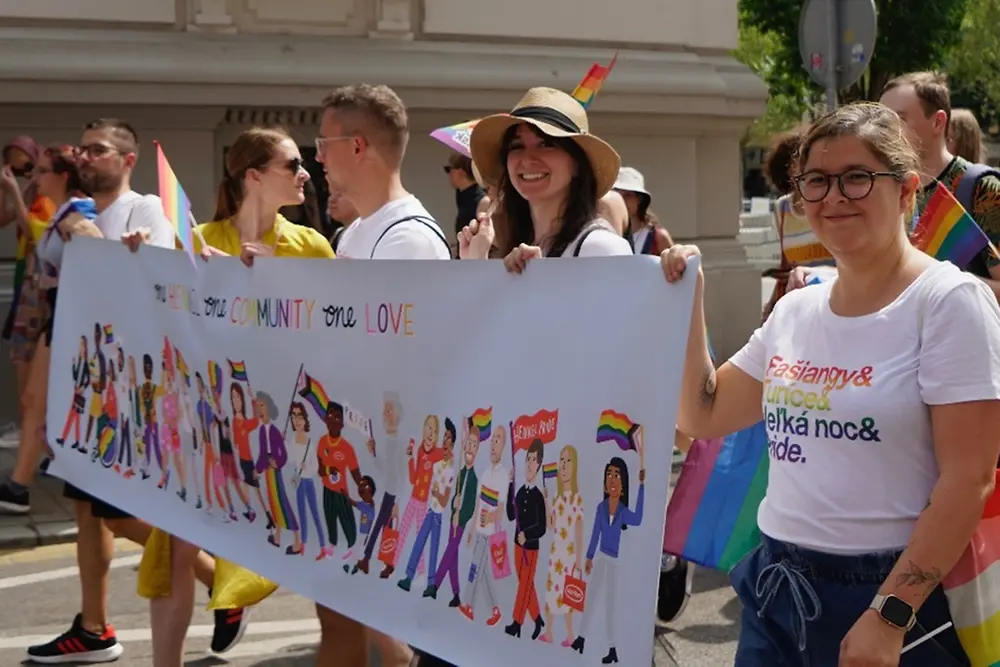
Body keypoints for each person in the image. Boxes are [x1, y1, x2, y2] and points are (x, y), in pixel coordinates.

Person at [665, 102, 1000, 666]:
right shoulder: (796, 309)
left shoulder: (949, 302)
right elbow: (704, 415)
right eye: (816, 181)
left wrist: (890, 613)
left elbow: (969, 479)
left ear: (907, 190)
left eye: (857, 178)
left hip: (889, 594)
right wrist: (686, 305)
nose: (833, 197)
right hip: (776, 586)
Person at [23, 119, 221, 665]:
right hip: (84, 378)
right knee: (86, 508)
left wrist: (110, 249)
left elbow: (148, 285)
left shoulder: (144, 209)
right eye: (82, 148)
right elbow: (53, 286)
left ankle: (219, 575)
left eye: (99, 149)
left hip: (128, 386)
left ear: (127, 159)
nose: (86, 156)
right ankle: (92, 627)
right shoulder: (76, 214)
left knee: (113, 511)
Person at [135, 126, 333, 667]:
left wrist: (269, 286)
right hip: (203, 424)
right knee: (176, 546)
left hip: (277, 433)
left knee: (319, 545)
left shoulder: (312, 246)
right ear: (253, 176)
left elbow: (334, 336)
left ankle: (374, 649)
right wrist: (137, 262)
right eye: (292, 165)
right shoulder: (199, 241)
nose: (304, 174)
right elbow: (166, 320)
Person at [315, 82, 450, 667]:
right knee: (342, 615)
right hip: (352, 458)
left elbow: (405, 370)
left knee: (384, 622)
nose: (317, 157)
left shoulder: (410, 241)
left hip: (386, 472)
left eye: (323, 143)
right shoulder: (356, 233)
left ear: (358, 145)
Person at [0, 146, 99, 515]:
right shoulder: (63, 211)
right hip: (56, 312)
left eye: (42, 171)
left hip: (68, 313)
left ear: (63, 175)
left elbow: (99, 251)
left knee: (36, 400)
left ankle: (19, 486)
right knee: (36, 400)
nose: (36, 177)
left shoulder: (81, 212)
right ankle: (40, 468)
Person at [460, 86, 632, 264]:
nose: (527, 160)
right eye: (516, 146)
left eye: (546, 144)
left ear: (578, 164)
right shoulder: (522, 249)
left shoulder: (600, 248)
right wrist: (476, 261)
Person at [880, 72, 1000, 298]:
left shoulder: (982, 189)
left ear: (938, 122)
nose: (884, 131)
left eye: (900, 118)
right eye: (881, 121)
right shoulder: (884, 187)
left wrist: (938, 279)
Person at [613, 166, 672, 254]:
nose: (621, 200)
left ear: (639, 199)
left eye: (628, 195)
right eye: (617, 194)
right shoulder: (607, 235)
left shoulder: (658, 237)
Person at [445, 152, 485, 237]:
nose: (448, 174)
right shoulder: (463, 196)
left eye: (448, 169)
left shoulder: (480, 201)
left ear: (461, 172)